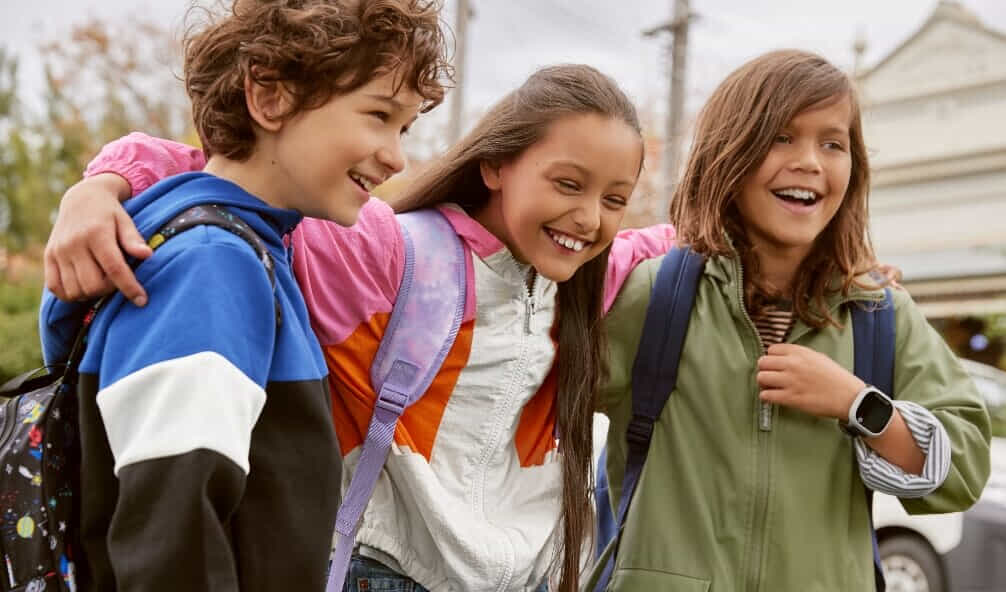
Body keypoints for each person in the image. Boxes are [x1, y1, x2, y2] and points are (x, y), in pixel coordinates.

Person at [42, 65, 676, 590]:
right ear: (496, 166)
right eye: (568, 183)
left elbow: (700, 234)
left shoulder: (592, 279)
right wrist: (99, 188)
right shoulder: (384, 251)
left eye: (615, 199)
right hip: (383, 573)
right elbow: (227, 170)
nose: (589, 217)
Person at [37, 1, 451, 590]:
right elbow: (172, 544)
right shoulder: (213, 267)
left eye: (404, 127)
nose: (396, 155)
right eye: (378, 115)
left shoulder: (242, 251)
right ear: (271, 97)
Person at [586, 49, 991, 591]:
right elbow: (533, 401)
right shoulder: (658, 292)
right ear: (729, 151)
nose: (810, 161)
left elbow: (964, 470)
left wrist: (857, 404)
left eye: (833, 143)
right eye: (781, 136)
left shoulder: (880, 313)